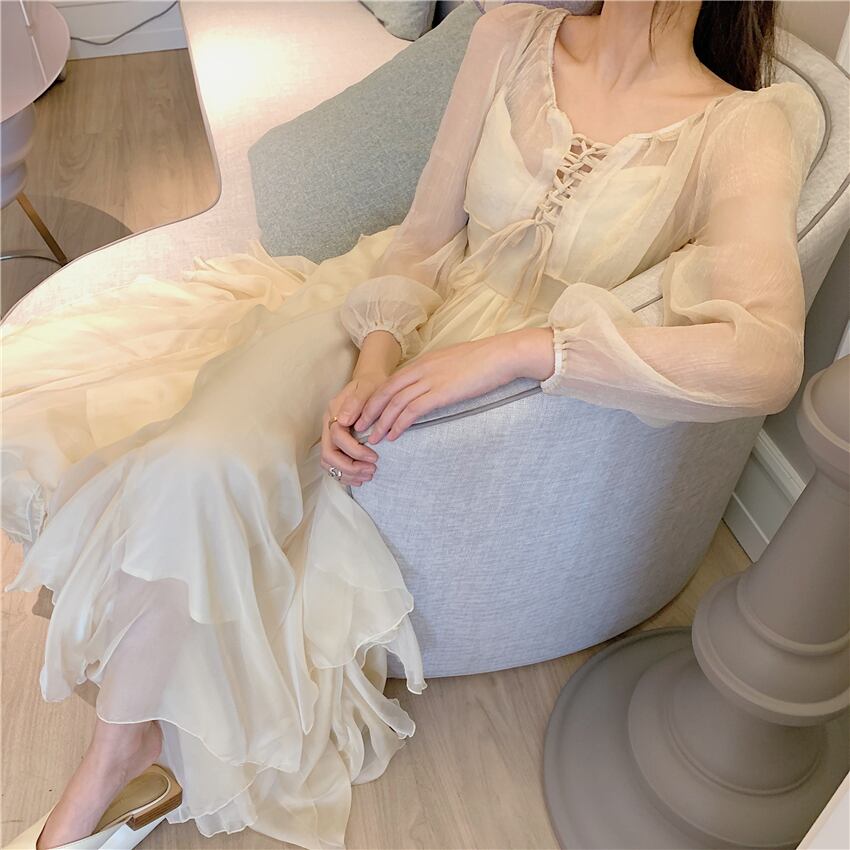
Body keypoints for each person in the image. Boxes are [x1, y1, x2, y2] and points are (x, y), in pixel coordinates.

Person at [2, 1, 823, 848]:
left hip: (488, 396)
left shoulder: (741, 127)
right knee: (195, 458)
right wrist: (374, 355)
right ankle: (127, 744)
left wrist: (527, 350)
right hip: (379, 315)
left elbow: (764, 358)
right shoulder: (509, 37)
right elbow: (426, 234)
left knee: (240, 493)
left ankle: (107, 768)